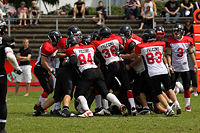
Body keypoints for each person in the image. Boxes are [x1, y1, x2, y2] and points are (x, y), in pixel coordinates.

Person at [134, 29, 181, 116]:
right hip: (163, 70)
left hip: (153, 72)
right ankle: (177, 104)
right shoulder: (161, 44)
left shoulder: (141, 46)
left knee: (158, 93)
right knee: (169, 89)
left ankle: (169, 109)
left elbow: (135, 54)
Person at [91, 27, 137, 116]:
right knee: (127, 87)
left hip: (111, 65)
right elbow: (121, 46)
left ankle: (106, 108)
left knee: (104, 88)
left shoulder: (97, 43)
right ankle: (133, 108)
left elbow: (94, 51)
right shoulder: (116, 39)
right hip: (121, 63)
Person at [167, 23, 197, 112]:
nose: (176, 32)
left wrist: (195, 63)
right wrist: (169, 65)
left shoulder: (187, 40)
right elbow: (168, 54)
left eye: (178, 31)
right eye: (174, 31)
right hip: (174, 67)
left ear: (182, 31)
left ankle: (187, 105)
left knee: (187, 87)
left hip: (185, 67)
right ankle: (171, 104)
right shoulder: (170, 41)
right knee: (170, 87)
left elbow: (191, 52)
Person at [0, 18, 22, 133]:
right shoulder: (5, 40)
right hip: (0, 75)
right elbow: (10, 56)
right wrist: (17, 68)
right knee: (2, 102)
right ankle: (2, 129)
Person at [33, 30, 62, 114]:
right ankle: (42, 107)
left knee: (49, 89)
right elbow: (43, 62)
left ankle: (38, 105)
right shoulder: (47, 46)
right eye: (56, 39)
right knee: (48, 89)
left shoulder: (55, 45)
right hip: (41, 68)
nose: (57, 40)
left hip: (46, 68)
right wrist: (52, 70)